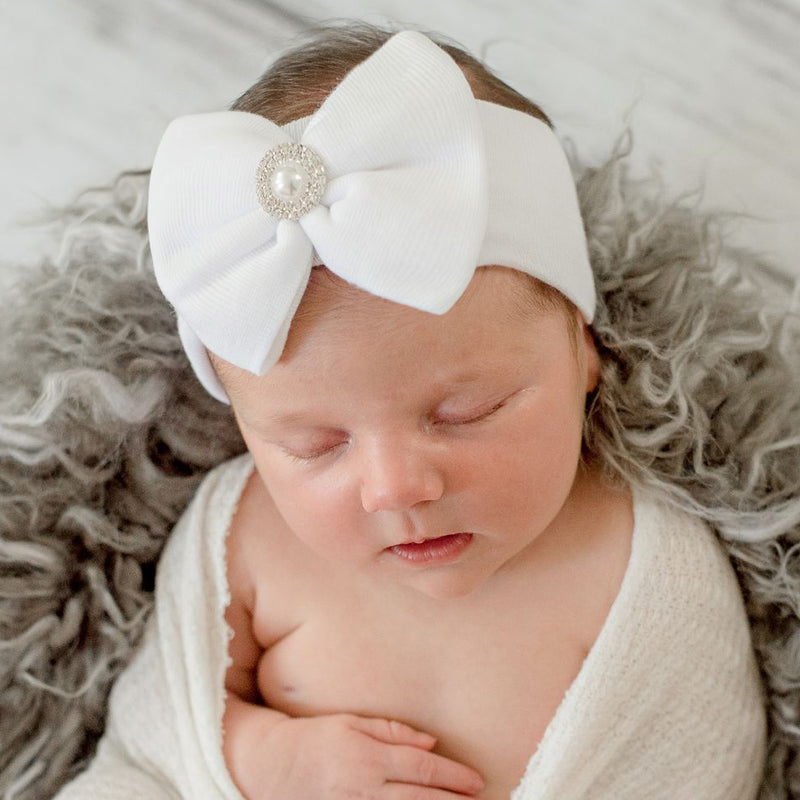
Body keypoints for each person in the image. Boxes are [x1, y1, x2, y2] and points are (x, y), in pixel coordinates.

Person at [31, 18, 798, 800]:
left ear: (584, 347)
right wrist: (266, 758)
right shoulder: (246, 540)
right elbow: (151, 747)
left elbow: (708, 764)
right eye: (315, 443)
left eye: (466, 410)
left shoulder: (649, 567)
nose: (397, 487)